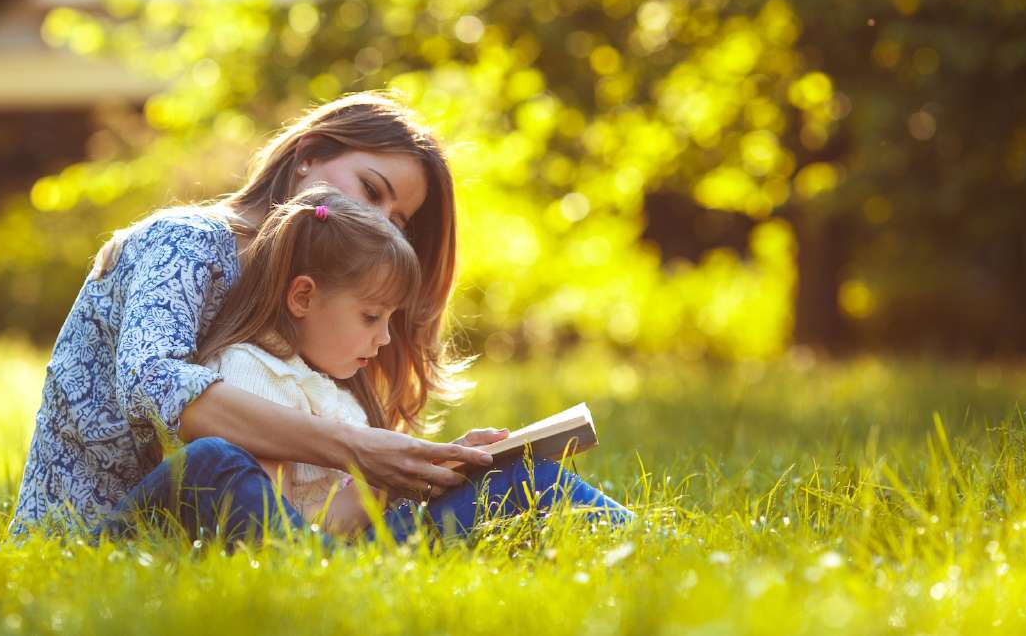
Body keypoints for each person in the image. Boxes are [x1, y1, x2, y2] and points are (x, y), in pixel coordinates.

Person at [10, 92, 501, 537]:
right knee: (210, 463)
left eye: (397, 221)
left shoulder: (327, 303)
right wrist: (356, 447)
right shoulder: (187, 240)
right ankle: (329, 577)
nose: (378, 222)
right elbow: (151, 383)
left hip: (270, 532)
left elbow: (318, 493)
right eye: (371, 191)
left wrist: (431, 470)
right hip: (108, 534)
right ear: (307, 156)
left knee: (509, 477)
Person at [96, 188, 633, 546]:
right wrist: (386, 486)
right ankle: (646, 543)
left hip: (369, 541)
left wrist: (433, 472)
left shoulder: (334, 390)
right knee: (519, 487)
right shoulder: (250, 375)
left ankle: (644, 539)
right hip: (330, 554)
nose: (383, 339)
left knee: (525, 476)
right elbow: (282, 523)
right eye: (372, 316)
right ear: (303, 297)